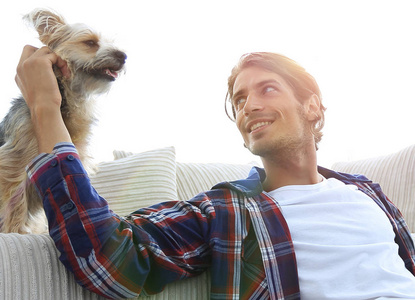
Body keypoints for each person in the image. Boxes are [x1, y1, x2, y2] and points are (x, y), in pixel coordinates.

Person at [16, 46, 415, 299]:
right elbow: (108, 258)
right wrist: (46, 107)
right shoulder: (228, 210)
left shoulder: (366, 192)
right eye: (240, 99)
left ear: (312, 107)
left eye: (268, 89)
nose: (249, 106)